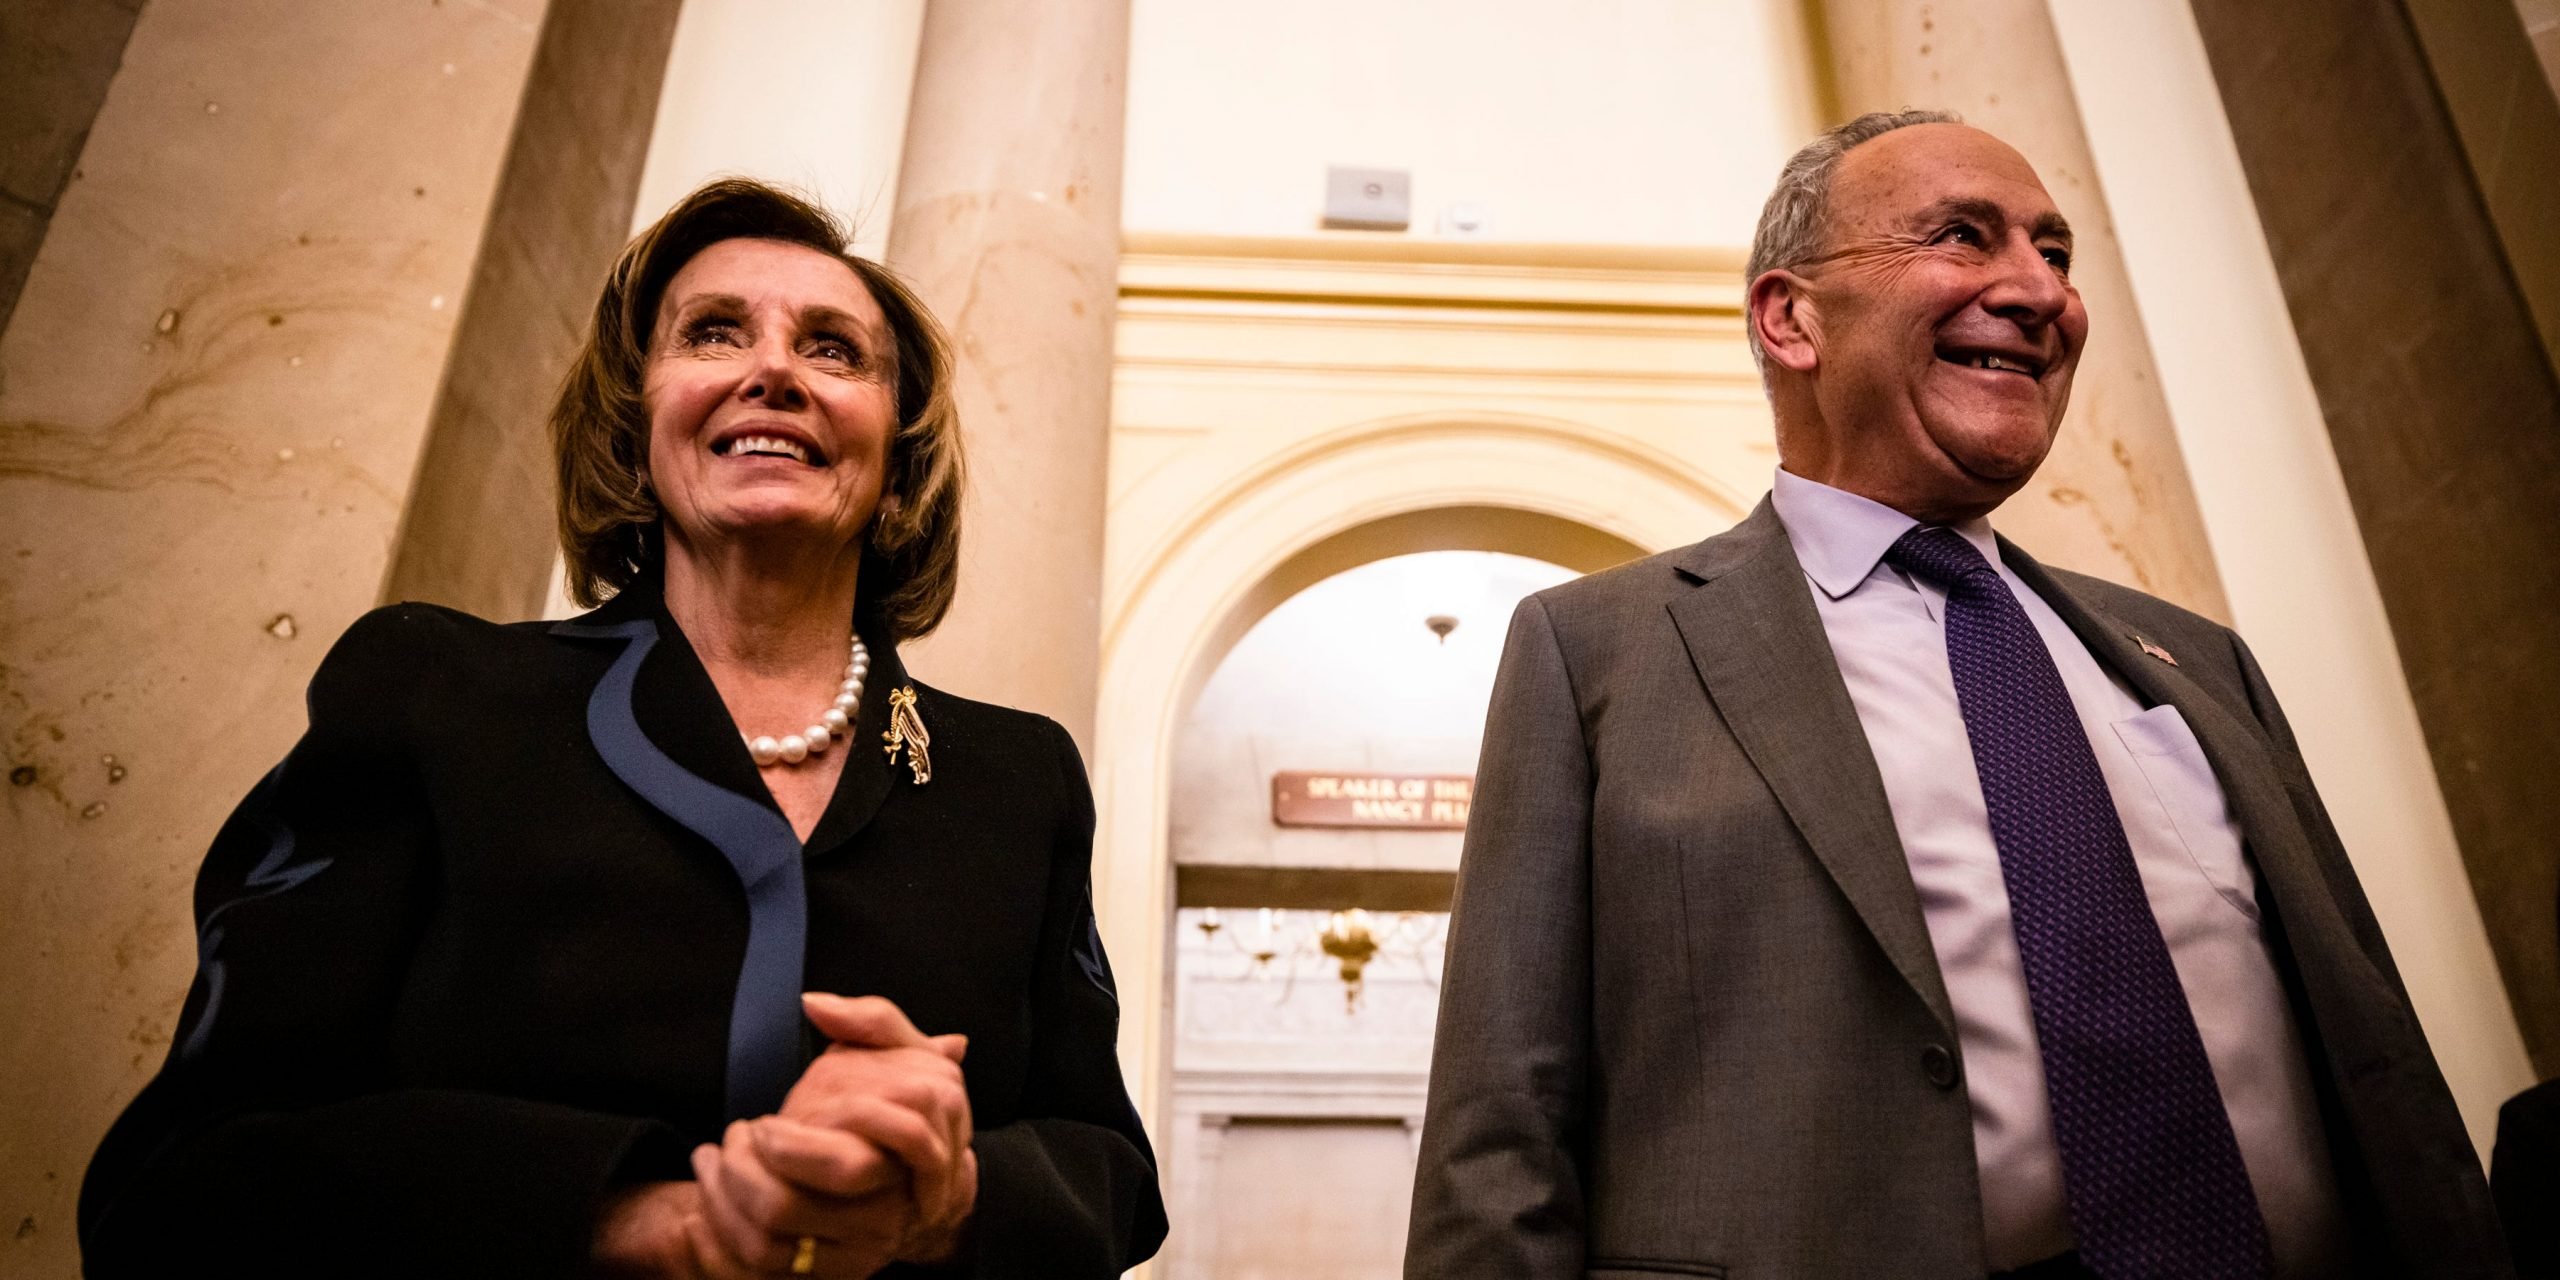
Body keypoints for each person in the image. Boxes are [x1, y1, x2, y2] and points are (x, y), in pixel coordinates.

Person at [1406, 112, 2509, 1279]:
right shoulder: (1597, 653)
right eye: (1961, 236)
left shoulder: (2199, 660)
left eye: (2055, 251)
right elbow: (1500, 1138)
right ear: (1792, 318)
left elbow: (2383, 1070)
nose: (2038, 290)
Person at [79, 179, 1166, 1278]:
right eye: (713, 333)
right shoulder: (434, 692)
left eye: (834, 350)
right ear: (633, 430)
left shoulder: (1017, 777)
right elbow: (181, 1182)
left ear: (897, 464)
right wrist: (656, 1220)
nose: (774, 370)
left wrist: (949, 1195)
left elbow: (1108, 1174)